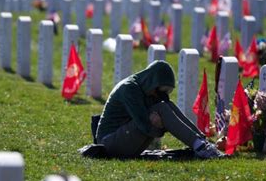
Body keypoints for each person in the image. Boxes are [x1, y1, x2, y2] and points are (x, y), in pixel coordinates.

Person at [95, 60, 224, 159]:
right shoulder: (130, 89)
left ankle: (201, 142)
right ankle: (199, 146)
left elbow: (170, 111)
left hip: (124, 140)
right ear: (152, 82)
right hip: (109, 143)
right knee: (162, 108)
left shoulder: (148, 90)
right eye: (160, 89)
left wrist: (200, 136)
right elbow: (145, 126)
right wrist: (161, 126)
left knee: (167, 105)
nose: (159, 94)